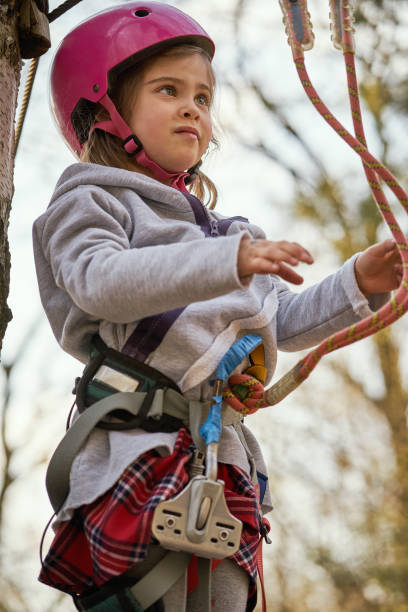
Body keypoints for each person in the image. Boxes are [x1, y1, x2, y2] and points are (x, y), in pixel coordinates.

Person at [33, 2, 402, 611]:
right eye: (168, 90)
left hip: (218, 460)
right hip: (134, 451)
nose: (192, 109)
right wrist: (228, 262)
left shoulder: (227, 232)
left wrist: (360, 281)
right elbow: (99, 280)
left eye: (203, 98)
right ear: (103, 111)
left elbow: (282, 319)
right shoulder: (91, 201)